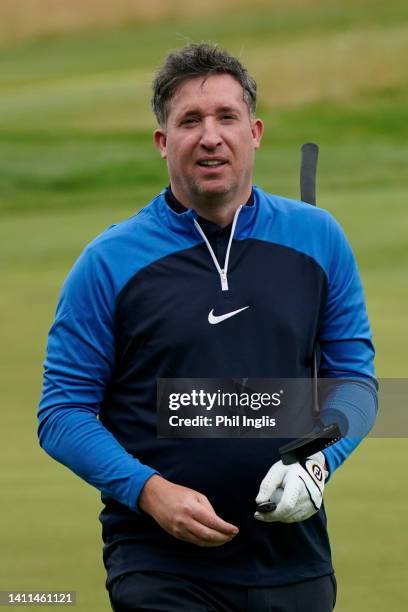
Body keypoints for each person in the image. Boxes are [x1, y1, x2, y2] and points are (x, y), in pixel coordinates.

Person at [38, 43, 378, 611]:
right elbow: (61, 413)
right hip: (159, 563)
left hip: (292, 559)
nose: (210, 135)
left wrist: (320, 461)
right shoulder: (108, 262)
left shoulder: (319, 240)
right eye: (189, 121)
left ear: (256, 131)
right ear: (163, 142)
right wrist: (149, 492)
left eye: (227, 117)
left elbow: (359, 388)